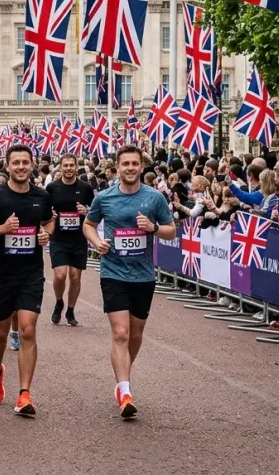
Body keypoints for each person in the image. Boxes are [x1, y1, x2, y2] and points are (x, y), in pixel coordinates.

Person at [83, 145, 175, 419]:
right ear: (118, 167)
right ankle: (125, 390)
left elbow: (171, 231)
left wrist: (154, 228)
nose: (131, 168)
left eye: (135, 163)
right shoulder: (104, 198)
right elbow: (88, 224)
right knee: (120, 333)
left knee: (135, 334)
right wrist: (98, 241)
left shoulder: (155, 198)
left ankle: (123, 376)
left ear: (142, 167)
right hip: (113, 272)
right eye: (126, 164)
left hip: (143, 274)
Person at [0, 144, 53, 417]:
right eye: (15, 162)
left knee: (28, 329)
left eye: (25, 162)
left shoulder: (41, 196)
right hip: (0, 273)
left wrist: (46, 234)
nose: (20, 167)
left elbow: (49, 221)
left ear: (32, 165)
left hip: (31, 273)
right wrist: (3, 229)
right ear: (7, 166)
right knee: (0, 332)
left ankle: (25, 393)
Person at [46, 154, 95, 326]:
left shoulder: (85, 188)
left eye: (71, 165)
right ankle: (59, 302)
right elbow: (44, 211)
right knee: (60, 276)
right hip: (59, 238)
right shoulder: (52, 187)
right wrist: (49, 214)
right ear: (60, 167)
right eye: (65, 165)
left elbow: (95, 213)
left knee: (75, 277)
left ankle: (71, 310)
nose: (68, 168)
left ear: (76, 167)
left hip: (78, 238)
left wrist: (86, 211)